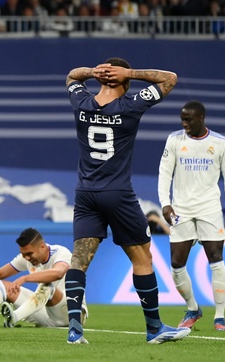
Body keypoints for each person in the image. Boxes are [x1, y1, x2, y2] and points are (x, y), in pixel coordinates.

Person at [64, 58, 191, 344]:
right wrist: (130, 73)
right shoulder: (130, 105)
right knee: (142, 257)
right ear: (126, 82)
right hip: (118, 194)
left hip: (85, 194)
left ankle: (74, 330)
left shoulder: (81, 103)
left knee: (79, 260)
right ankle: (154, 328)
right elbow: (170, 77)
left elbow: (71, 77)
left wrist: (92, 72)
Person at [158, 101, 225, 331]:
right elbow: (164, 173)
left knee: (216, 258)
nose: (184, 123)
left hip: (209, 208)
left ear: (202, 118)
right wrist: (165, 204)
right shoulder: (175, 140)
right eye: (182, 119)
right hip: (181, 209)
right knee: (177, 263)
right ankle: (193, 308)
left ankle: (220, 317)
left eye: (188, 119)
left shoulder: (220, 143)